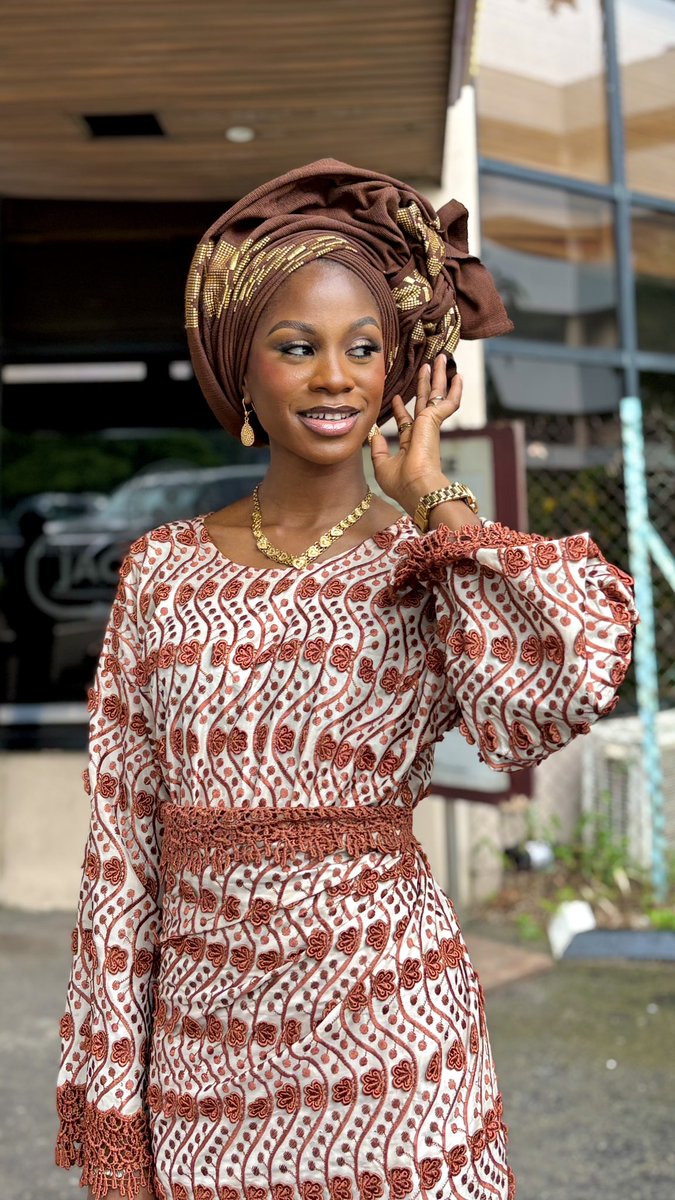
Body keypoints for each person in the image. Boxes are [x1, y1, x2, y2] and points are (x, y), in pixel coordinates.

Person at [55, 160, 638, 1200]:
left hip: (397, 1049)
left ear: (399, 372)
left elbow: (561, 687)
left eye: (362, 349)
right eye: (297, 347)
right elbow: (123, 858)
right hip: (206, 1063)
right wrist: (114, 1111)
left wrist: (434, 497)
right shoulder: (161, 573)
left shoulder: (429, 561)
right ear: (243, 369)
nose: (334, 376)